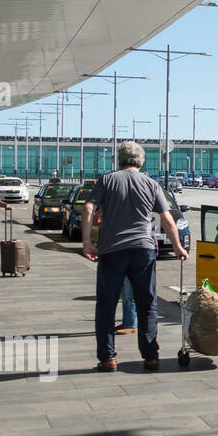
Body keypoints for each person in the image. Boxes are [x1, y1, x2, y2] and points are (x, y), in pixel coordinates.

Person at [82, 141, 189, 372]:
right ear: (141, 161)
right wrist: (178, 247)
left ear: (118, 160)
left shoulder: (107, 180)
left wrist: (87, 242)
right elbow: (167, 219)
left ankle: (107, 358)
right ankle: (151, 356)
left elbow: (89, 208)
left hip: (112, 250)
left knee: (106, 305)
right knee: (147, 304)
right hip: (143, 249)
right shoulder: (151, 184)